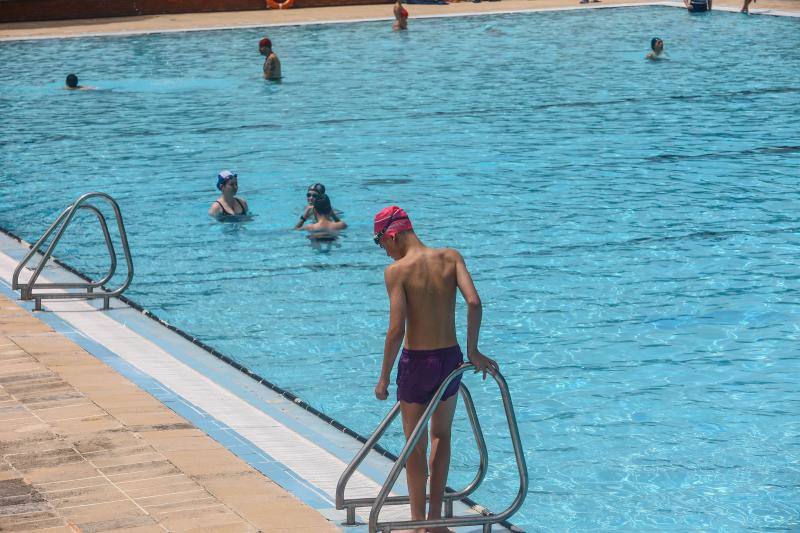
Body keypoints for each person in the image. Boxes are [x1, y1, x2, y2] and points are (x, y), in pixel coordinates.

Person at [372, 205, 498, 532]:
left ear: (393, 234)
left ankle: (418, 525)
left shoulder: (397, 272)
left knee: (414, 444)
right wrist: (474, 351)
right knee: (441, 436)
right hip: (450, 360)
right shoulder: (451, 257)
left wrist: (384, 376)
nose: (384, 251)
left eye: (380, 242)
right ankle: (437, 521)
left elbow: (396, 329)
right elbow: (474, 302)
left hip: (416, 363)